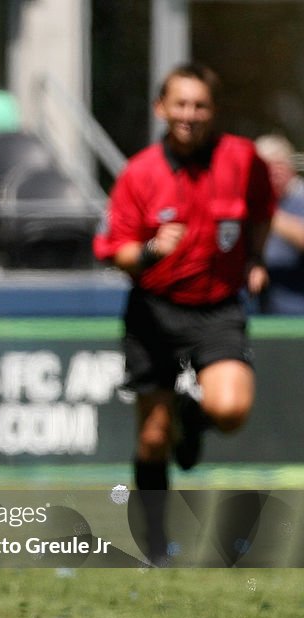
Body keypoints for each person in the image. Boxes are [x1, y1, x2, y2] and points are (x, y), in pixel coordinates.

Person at [93, 63, 273, 563]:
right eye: (180, 104)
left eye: (200, 105)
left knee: (231, 409)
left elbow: (262, 209)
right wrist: (152, 250)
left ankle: (190, 421)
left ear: (213, 111)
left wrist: (255, 258)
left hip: (217, 307)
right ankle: (155, 540)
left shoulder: (244, 159)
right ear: (161, 108)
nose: (189, 115)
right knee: (151, 438)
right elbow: (115, 252)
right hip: (153, 309)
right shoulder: (140, 174)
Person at [254, 134, 304, 314]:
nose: (272, 172)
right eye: (265, 167)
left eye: (279, 165)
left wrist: (270, 215)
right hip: (258, 310)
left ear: (292, 168)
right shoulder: (249, 202)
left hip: (296, 312)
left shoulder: (300, 198)